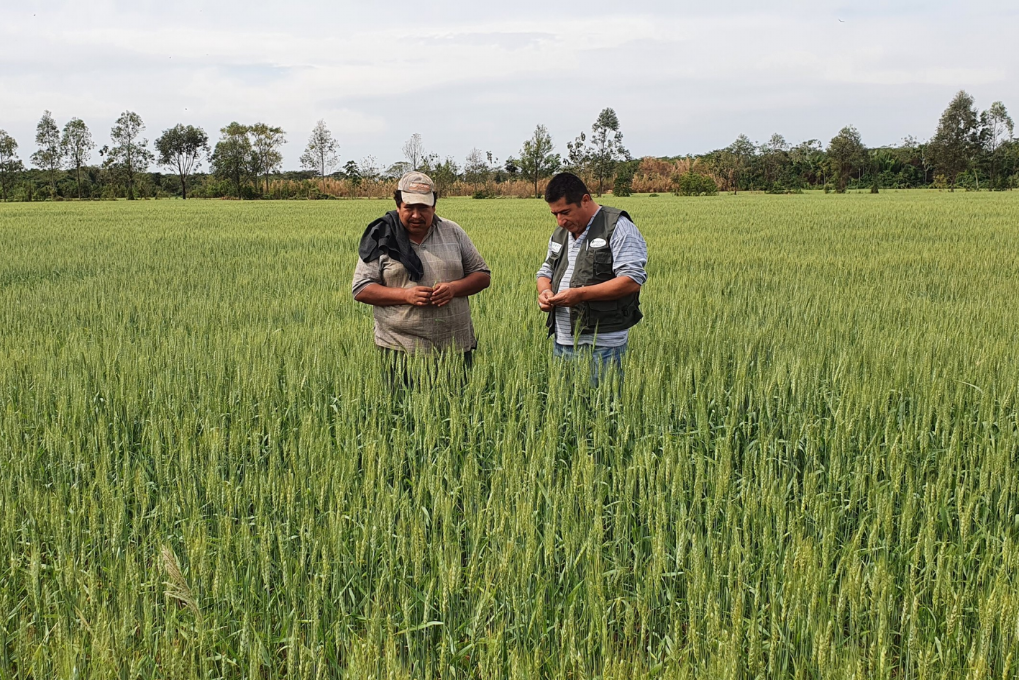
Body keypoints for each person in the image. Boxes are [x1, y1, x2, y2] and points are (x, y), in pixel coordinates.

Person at [353, 171, 491, 374]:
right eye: (409, 208)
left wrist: (453, 288)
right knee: (401, 405)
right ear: (398, 206)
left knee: (457, 404)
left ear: (434, 206)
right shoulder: (381, 236)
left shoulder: (453, 232)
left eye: (424, 208)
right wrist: (406, 295)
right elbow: (361, 289)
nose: (416, 215)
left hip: (454, 346)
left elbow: (482, 275)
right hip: (398, 348)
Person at [535, 172, 647, 383]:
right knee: (566, 410)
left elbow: (632, 279)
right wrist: (545, 292)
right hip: (563, 341)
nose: (560, 221)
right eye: (555, 214)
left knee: (602, 409)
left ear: (585, 200)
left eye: (565, 212)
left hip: (602, 344)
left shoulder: (617, 226)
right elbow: (545, 272)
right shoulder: (560, 234)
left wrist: (580, 295)